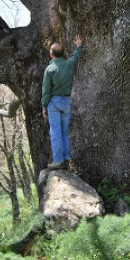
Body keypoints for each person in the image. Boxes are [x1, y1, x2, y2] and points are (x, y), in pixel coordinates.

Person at [41, 34, 83, 169]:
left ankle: (58, 161)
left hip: (54, 103)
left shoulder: (50, 69)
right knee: (64, 132)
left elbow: (46, 90)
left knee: (55, 132)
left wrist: (44, 106)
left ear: (52, 54)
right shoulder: (68, 65)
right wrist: (79, 46)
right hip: (66, 102)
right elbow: (75, 57)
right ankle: (67, 158)